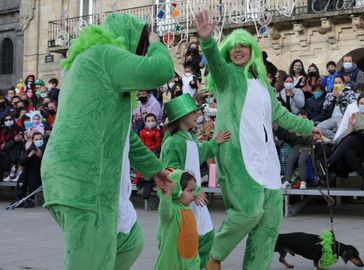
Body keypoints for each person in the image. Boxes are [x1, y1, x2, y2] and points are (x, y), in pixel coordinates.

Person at [40, 13, 174, 269]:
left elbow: (125, 136)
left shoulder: (98, 67)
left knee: (129, 241)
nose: (142, 56)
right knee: (89, 261)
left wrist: (154, 169)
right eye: (142, 49)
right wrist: (158, 42)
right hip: (83, 180)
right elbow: (161, 70)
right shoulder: (105, 55)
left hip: (82, 180)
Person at [195, 10, 320, 270]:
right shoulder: (228, 76)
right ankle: (213, 255)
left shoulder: (262, 84)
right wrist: (208, 42)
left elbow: (282, 115)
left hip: (267, 160)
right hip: (239, 156)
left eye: (244, 46)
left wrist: (310, 127)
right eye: (233, 47)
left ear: (252, 50)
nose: (238, 50)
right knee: (248, 212)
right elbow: (215, 64)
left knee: (269, 223)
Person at [159, 94, 230, 268]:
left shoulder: (188, 137)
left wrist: (214, 142)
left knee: (206, 236)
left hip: (194, 198)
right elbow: (170, 172)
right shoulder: (173, 142)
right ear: (182, 117)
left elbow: (199, 153)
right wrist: (193, 190)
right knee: (187, 243)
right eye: (192, 113)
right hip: (184, 201)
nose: (197, 114)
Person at [328, 93, 364, 188]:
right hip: (356, 143)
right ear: (358, 105)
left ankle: (330, 161)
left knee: (353, 138)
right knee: (349, 153)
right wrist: (351, 125)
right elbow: (346, 135)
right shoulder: (355, 115)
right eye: (361, 103)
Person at [154, 170, 201, 269]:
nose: (193, 194)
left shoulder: (187, 207)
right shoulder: (172, 210)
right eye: (190, 191)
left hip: (192, 257)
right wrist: (167, 193)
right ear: (177, 190)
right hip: (173, 259)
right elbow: (164, 211)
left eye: (193, 190)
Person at [279, 110, 314, 190]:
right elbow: (292, 139)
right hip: (296, 147)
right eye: (299, 118)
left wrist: (303, 133)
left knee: (301, 161)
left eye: (304, 118)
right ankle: (287, 181)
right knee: (290, 161)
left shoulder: (311, 126)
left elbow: (309, 140)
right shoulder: (295, 127)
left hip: (307, 147)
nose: (301, 120)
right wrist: (295, 133)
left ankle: (303, 181)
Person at [317, 75, 356, 140]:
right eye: (335, 83)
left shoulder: (349, 93)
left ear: (344, 83)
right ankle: (336, 139)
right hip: (332, 117)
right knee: (319, 127)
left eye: (339, 82)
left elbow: (353, 105)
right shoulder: (330, 94)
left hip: (343, 117)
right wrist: (333, 96)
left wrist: (342, 97)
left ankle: (336, 141)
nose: (337, 84)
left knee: (340, 128)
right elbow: (325, 107)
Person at [17, 132, 45, 208]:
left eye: (40, 139)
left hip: (40, 173)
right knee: (22, 177)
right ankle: (20, 198)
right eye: (36, 139)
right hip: (29, 171)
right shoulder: (31, 148)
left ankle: (31, 200)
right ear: (32, 140)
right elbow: (21, 161)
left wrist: (41, 157)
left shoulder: (46, 148)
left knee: (32, 177)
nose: (39, 141)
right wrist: (28, 156)